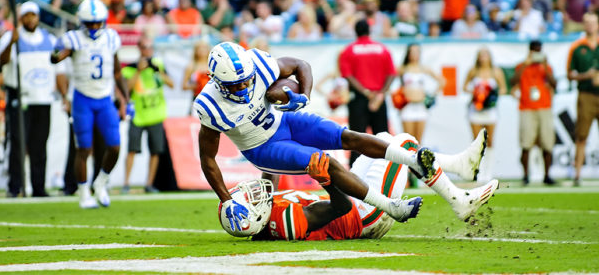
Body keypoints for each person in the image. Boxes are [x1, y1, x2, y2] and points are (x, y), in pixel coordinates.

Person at [196, 41, 498, 232]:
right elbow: (208, 157)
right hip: (264, 145)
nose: (245, 87)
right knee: (325, 161)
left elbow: (301, 66)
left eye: (247, 80)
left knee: (351, 137)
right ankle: (392, 203)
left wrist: (303, 95)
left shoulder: (256, 65)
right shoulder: (210, 106)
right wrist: (226, 201)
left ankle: (454, 167)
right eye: (236, 86)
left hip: (284, 122)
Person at [225, 130, 494, 240]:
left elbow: (269, 178)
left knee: (383, 139)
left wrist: (267, 141)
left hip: (355, 203)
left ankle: (460, 166)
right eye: (251, 201)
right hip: (364, 215)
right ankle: (459, 198)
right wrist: (327, 181)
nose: (253, 194)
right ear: (258, 217)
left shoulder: (269, 214)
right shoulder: (283, 221)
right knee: (405, 144)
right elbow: (339, 208)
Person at [51, 0, 130, 209]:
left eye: (98, 23)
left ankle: (101, 182)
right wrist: (55, 54)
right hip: (82, 99)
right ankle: (84, 192)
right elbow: (59, 57)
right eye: (90, 23)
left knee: (114, 146)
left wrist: (126, 99)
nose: (94, 27)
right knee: (83, 149)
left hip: (104, 98)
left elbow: (116, 70)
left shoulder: (111, 38)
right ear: (81, 22)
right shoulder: (74, 39)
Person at [0, 2, 67, 197]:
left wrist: (64, 95)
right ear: (21, 18)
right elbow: (1, 62)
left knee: (39, 144)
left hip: (43, 98)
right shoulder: (11, 38)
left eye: (33, 16)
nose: (30, 19)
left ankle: (38, 186)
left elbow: (59, 70)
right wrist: (11, 42)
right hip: (20, 98)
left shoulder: (49, 40)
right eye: (26, 16)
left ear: (38, 17)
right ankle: (15, 186)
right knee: (18, 142)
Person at [339, 20, 395, 165]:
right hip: (379, 97)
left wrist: (365, 92)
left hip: (359, 98)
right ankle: (384, 169)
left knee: (357, 138)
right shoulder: (382, 48)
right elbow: (391, 73)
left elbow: (348, 76)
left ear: (356, 31)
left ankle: (356, 174)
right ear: (369, 30)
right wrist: (380, 94)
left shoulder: (349, 50)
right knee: (382, 137)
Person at [121, 37, 174, 194]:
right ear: (139, 48)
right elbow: (127, 90)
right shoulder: (129, 68)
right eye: (144, 47)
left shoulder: (158, 66)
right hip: (138, 115)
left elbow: (171, 83)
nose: (147, 50)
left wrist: (158, 71)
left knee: (155, 151)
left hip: (156, 115)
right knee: (132, 150)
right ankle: (126, 183)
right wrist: (139, 70)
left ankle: (149, 183)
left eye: (150, 47)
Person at [511, 40, 557, 186]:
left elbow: (554, 84)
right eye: (534, 51)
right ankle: (525, 175)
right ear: (530, 51)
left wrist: (544, 65)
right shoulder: (522, 66)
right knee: (526, 143)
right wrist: (526, 63)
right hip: (527, 107)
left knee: (547, 143)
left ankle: (547, 174)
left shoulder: (546, 67)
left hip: (544, 107)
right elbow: (512, 81)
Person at [463, 47, 507, 181]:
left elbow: (503, 88)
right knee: (477, 141)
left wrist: (491, 96)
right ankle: (478, 171)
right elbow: (464, 87)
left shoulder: (496, 71)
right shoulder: (473, 71)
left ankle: (489, 171)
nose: (483, 58)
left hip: (490, 111)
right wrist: (476, 94)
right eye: (481, 56)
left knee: (490, 141)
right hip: (476, 110)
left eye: (485, 55)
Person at [566, 12, 599, 186]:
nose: (590, 26)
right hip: (586, 95)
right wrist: (587, 76)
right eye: (587, 23)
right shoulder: (577, 47)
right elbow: (570, 74)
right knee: (581, 135)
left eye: (593, 22)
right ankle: (577, 173)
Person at [396, 44, 445, 142]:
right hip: (407, 106)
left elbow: (442, 81)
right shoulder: (403, 68)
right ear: (408, 54)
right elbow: (389, 79)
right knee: (408, 140)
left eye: (417, 52)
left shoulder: (424, 68)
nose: (415, 54)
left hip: (420, 106)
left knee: (418, 141)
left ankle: (417, 157)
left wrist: (432, 95)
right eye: (412, 52)